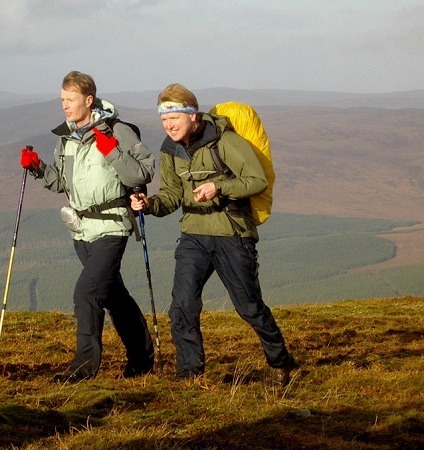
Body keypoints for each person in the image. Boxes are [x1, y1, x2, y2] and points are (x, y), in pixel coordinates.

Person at [130, 83, 297, 385]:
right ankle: (190, 373)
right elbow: (171, 196)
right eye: (164, 120)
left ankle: (280, 360)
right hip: (194, 234)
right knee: (182, 305)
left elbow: (256, 179)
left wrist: (218, 187)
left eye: (174, 119)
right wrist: (148, 204)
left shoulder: (225, 142)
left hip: (231, 233)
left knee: (248, 306)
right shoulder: (171, 150)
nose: (168, 126)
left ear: (193, 116)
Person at [20, 71, 155, 382]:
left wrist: (112, 151)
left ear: (89, 100)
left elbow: (142, 174)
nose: (65, 106)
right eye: (62, 100)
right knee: (112, 295)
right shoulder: (65, 137)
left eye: (70, 100)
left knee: (86, 293)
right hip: (81, 230)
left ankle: (82, 370)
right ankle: (142, 361)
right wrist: (38, 168)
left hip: (113, 225)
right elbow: (61, 184)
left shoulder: (118, 131)